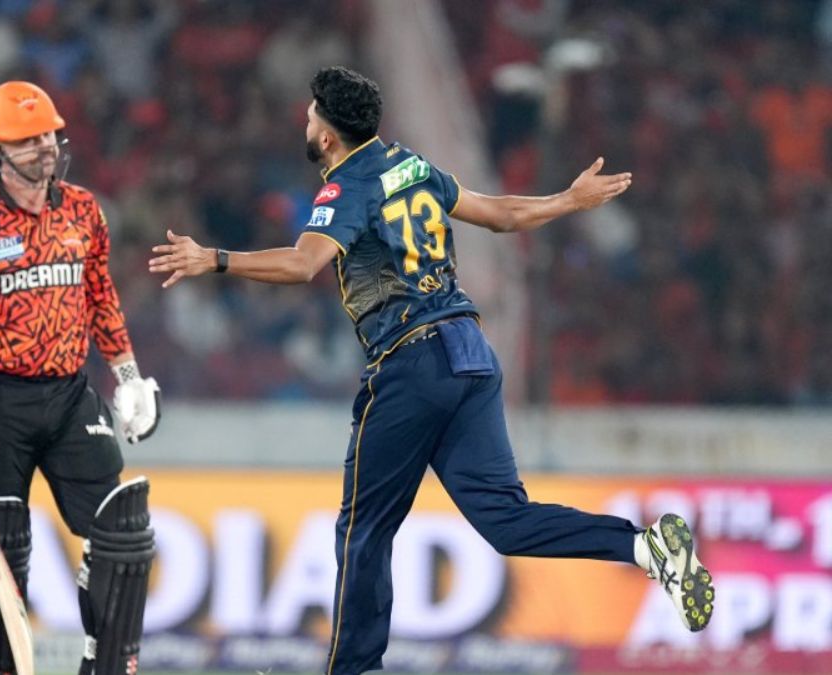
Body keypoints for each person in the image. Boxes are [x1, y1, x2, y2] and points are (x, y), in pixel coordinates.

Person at [148, 66, 714, 675]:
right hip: (469, 353)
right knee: (505, 519)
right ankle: (642, 546)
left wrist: (215, 259)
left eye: (311, 114)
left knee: (363, 528)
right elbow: (499, 214)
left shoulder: (346, 187)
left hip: (410, 360)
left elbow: (301, 264)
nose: (305, 121)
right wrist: (568, 201)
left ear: (328, 135)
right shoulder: (411, 166)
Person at [0, 80, 160, 675]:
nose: (45, 148)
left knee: (123, 529)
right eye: (27, 141)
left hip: (70, 393)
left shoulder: (83, 209)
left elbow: (100, 296)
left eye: (49, 135)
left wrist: (128, 376)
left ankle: (107, 666)